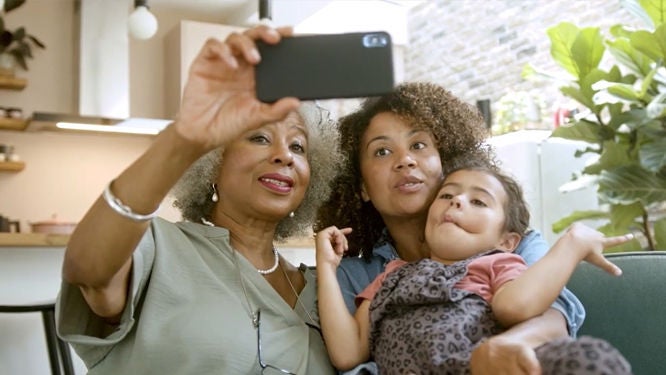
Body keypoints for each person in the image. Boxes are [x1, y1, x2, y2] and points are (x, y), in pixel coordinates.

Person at [55, 25, 340, 374]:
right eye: (259, 138)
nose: (285, 155)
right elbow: (89, 269)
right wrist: (184, 138)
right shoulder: (161, 249)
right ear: (213, 163)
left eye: (298, 146)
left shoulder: (323, 286)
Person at [314, 82, 586, 375]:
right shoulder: (358, 275)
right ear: (362, 187)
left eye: (418, 145)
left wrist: (494, 353)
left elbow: (553, 314)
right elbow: (349, 359)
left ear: (444, 164)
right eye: (382, 151)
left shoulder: (511, 245)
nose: (405, 160)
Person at [316, 164, 633, 374]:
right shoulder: (391, 275)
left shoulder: (500, 263)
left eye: (479, 202)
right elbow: (347, 353)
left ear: (508, 241)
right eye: (447, 195)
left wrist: (572, 243)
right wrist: (327, 269)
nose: (457, 202)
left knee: (590, 358)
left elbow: (514, 307)